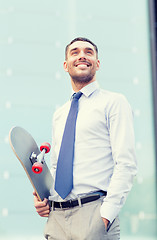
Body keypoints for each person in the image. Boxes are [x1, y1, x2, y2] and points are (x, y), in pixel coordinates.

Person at [33, 37, 137, 240]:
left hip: (94, 214)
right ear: (65, 65)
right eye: (75, 52)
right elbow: (56, 167)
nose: (82, 55)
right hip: (56, 219)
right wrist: (44, 200)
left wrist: (105, 216)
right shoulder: (60, 114)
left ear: (97, 63)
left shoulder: (114, 102)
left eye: (89, 52)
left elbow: (126, 163)